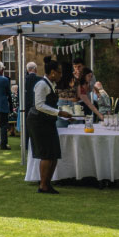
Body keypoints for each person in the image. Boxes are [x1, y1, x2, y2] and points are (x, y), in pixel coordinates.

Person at [28, 60, 72, 193]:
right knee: (46, 153)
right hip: (38, 121)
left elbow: (49, 105)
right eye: (59, 72)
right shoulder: (42, 84)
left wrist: (60, 112)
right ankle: (43, 185)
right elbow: (39, 105)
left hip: (48, 121)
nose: (61, 75)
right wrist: (59, 112)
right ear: (52, 73)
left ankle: (47, 183)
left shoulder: (51, 84)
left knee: (54, 152)